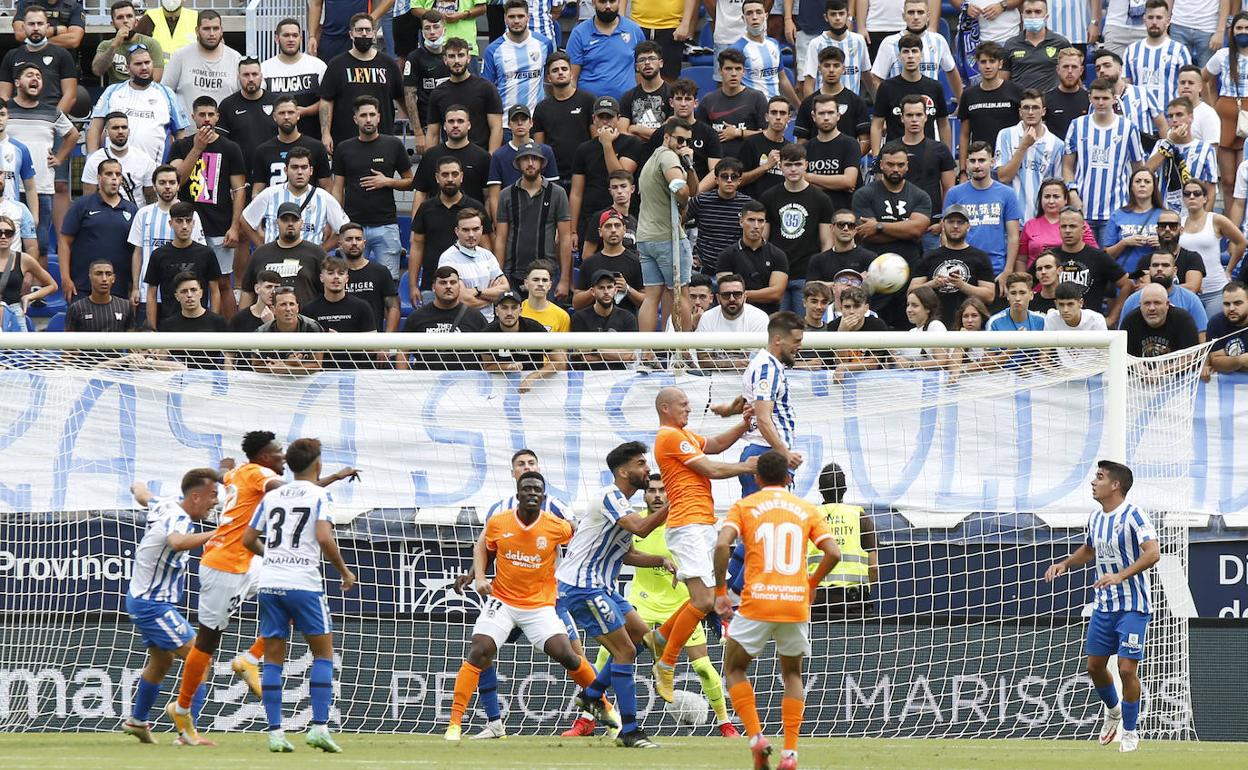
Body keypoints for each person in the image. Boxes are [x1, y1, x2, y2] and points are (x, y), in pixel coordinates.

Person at [168, 432, 357, 743]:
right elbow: (299, 494)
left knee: (292, 589)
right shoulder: (259, 474)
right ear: (264, 457)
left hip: (251, 561)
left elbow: (229, 474)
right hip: (225, 565)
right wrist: (334, 477)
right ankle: (183, 708)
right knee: (207, 641)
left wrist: (223, 468)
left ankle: (249, 660)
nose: (282, 456)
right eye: (276, 451)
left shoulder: (240, 471)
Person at [445, 471, 612, 742]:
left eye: (537, 488)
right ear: (517, 489)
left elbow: (583, 540)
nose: (532, 492)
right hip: (503, 600)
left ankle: (605, 709)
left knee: (570, 655)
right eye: (527, 486)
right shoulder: (499, 518)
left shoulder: (558, 521)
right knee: (481, 650)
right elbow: (485, 548)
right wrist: (476, 575)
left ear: (543, 494)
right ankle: (459, 724)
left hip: (542, 603)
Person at [714, 450, 840, 770]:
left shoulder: (745, 506)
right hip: (794, 602)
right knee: (792, 674)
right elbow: (833, 553)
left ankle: (756, 737)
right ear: (789, 478)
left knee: (735, 669)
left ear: (756, 478)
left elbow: (721, 544)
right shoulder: (805, 508)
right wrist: (811, 584)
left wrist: (719, 591)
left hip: (756, 601)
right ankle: (791, 754)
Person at [554, 442, 676, 748]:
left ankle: (592, 695)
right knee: (626, 652)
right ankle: (630, 730)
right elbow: (643, 530)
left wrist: (660, 560)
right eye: (640, 463)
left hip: (602, 586)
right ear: (623, 471)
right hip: (582, 587)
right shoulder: (610, 497)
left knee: (644, 638)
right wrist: (675, 501)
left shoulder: (623, 505)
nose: (646, 469)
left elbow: (628, 554)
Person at [241, 437, 355, 753]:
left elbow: (248, 538)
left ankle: (276, 734)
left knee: (274, 659)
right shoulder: (320, 494)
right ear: (318, 465)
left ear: (289, 465)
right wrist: (344, 571)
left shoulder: (273, 495)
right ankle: (319, 728)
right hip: (303, 584)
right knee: (323, 654)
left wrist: (273, 557)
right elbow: (323, 536)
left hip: (270, 584)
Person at [647, 386, 757, 703]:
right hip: (687, 525)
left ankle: (660, 638)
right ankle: (666, 662)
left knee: (706, 600)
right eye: (683, 404)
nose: (689, 409)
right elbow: (710, 468)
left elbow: (717, 445)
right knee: (703, 599)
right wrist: (746, 468)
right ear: (665, 407)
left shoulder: (684, 435)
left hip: (702, 523)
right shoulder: (668, 436)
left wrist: (742, 423)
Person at [1044, 460, 1157, 754]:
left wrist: (1120, 575)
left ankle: (1130, 732)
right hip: (1104, 607)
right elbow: (1090, 549)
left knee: (1125, 669)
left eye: (1100, 477)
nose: (1094, 482)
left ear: (1115, 485)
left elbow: (1153, 552)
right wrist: (1065, 564)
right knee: (1094, 666)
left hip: (1133, 606)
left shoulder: (1134, 515)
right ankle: (1113, 711)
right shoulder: (1096, 519)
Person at [619, 474, 738, 736]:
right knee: (613, 654)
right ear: (644, 494)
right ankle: (591, 717)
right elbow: (626, 555)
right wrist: (660, 559)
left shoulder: (684, 526)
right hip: (643, 602)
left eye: (663, 490)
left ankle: (725, 723)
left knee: (704, 669)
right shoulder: (635, 522)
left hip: (682, 605)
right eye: (652, 490)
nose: (658, 495)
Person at [119, 468, 219, 746]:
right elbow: (176, 542)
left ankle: (137, 721)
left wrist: (136, 484)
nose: (215, 502)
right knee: (201, 659)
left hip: (143, 599)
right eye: (212, 496)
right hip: (153, 604)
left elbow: (142, 494)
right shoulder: (179, 517)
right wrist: (217, 534)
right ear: (195, 496)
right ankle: (188, 732)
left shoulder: (165, 504)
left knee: (162, 661)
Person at [169, 96, 246, 294]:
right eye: (202, 114)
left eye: (211, 115)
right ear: (193, 116)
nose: (206, 119)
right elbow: (177, 181)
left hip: (220, 225)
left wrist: (235, 227)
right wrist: (197, 149)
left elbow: (238, 191)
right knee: (186, 282)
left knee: (222, 284)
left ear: (217, 117)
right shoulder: (180, 146)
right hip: (188, 224)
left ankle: (225, 326)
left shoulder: (230, 148)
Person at [852, 141, 933, 327]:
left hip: (910, 274)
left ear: (907, 166)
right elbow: (866, 233)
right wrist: (905, 229)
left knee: (908, 330)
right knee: (874, 331)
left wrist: (879, 226)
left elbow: (917, 229)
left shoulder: (920, 195)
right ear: (881, 165)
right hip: (874, 276)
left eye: (900, 165)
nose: (895, 169)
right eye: (890, 164)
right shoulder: (864, 194)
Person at [331, 96, 413, 280]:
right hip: (352, 226)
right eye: (363, 115)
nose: (368, 119)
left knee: (389, 282)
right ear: (355, 119)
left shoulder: (393, 145)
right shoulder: (344, 148)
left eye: (371, 115)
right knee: (348, 282)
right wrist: (338, 222)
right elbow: (338, 188)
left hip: (386, 225)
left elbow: (411, 181)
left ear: (379, 117)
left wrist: (388, 182)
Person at [5, 64, 77, 259]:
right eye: (30, 75)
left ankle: (37, 287)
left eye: (39, 76)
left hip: (42, 188)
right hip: (7, 189)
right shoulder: (5, 111)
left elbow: (73, 135)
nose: (35, 78)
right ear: (17, 83)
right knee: (6, 241)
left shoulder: (52, 112)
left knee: (41, 244)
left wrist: (60, 157)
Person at [1064, 78, 1146, 245]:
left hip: (1116, 210)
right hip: (1083, 209)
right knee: (1086, 264)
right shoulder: (1077, 125)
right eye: (1096, 98)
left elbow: (1138, 168)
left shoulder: (1128, 128)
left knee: (1111, 265)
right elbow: (1067, 167)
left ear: (1114, 98)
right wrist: (1072, 193)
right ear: (1090, 98)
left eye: (1105, 98)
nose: (1100, 103)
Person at [636, 120, 699, 333]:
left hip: (646, 238)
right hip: (667, 237)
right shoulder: (668, 156)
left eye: (687, 141)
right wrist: (683, 201)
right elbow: (681, 190)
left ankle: (646, 354)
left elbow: (693, 188)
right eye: (679, 139)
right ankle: (685, 352)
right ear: (666, 137)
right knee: (680, 295)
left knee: (651, 297)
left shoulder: (653, 158)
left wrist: (689, 165)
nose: (683, 145)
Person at [737, 312, 804, 497]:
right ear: (778, 340)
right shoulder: (768, 369)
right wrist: (785, 453)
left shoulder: (761, 364)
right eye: (796, 341)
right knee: (772, 517)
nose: (800, 346)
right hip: (767, 454)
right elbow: (764, 418)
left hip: (763, 451)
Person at [89, 44, 190, 166]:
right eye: (138, 64)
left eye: (147, 62)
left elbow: (180, 133)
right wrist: (92, 160)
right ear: (127, 68)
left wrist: (177, 165)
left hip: (156, 173)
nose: (144, 67)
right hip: (115, 174)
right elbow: (95, 128)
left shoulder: (166, 94)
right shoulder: (112, 92)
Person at [570, 97, 646, 253]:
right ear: (594, 119)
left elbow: (620, 176)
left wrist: (606, 144)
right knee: (590, 262)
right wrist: (573, 230)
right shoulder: (583, 149)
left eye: (610, 117)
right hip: (591, 218)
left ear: (618, 118)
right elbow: (576, 192)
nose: (605, 122)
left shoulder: (632, 143)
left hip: (623, 219)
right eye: (601, 117)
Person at [318, 14, 404, 152]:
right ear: (351, 34)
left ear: (374, 34)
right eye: (359, 30)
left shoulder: (388, 64)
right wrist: (325, 133)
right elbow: (326, 101)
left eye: (368, 30)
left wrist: (417, 131)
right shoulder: (337, 64)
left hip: (383, 142)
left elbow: (402, 98)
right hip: (345, 142)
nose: (364, 34)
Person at [494, 142, 572, 292]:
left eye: (535, 159)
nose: (530, 163)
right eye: (525, 159)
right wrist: (499, 276)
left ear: (542, 163)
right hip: (513, 273)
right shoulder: (506, 194)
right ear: (518, 163)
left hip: (547, 275)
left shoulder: (557, 193)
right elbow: (501, 239)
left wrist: (564, 280)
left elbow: (565, 238)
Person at [410, 157, 491, 302]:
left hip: (471, 287)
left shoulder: (476, 207)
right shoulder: (425, 208)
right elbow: (416, 247)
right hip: (432, 285)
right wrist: (413, 285)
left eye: (454, 174)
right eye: (445, 175)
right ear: (437, 177)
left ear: (461, 176)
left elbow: (486, 248)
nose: (450, 179)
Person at [128, 164, 205, 310]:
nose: (167, 187)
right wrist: (136, 288)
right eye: (162, 183)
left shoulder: (191, 215)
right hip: (148, 294)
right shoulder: (143, 214)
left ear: (178, 186)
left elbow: (199, 253)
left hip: (181, 296)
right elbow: (138, 253)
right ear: (154, 186)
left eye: (172, 182)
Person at [59, 159, 138, 302]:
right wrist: (66, 278)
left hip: (119, 287)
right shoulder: (82, 205)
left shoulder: (131, 209)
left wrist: (135, 286)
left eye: (118, 174)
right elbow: (64, 242)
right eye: (109, 174)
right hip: (82, 286)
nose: (114, 178)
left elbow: (136, 251)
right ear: (99, 178)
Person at [243, 147, 348, 250]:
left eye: (304, 167)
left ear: (311, 170)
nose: (299, 172)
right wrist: (262, 248)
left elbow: (344, 228)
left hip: (308, 262)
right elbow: (245, 220)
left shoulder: (323, 197)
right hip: (274, 261)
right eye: (294, 167)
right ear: (286, 170)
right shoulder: (270, 194)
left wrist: (321, 252)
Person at [909, 205, 997, 326]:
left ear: (968, 226)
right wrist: (933, 284)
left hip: (967, 325)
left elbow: (989, 296)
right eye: (951, 222)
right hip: (934, 324)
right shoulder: (929, 256)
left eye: (960, 222)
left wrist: (962, 285)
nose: (955, 226)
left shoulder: (980, 257)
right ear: (943, 225)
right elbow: (911, 292)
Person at [143, 202, 222, 328]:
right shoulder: (159, 255)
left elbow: (215, 291)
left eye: (188, 221)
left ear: (193, 223)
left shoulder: (206, 253)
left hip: (201, 325)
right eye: (179, 221)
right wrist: (152, 329)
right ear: (171, 223)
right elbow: (151, 294)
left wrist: (212, 323)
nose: (184, 226)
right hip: (169, 324)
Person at [1052, 205, 1134, 326]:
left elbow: (1127, 284)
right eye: (1064, 226)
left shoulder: (1099, 257)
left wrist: (1112, 318)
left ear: (1083, 228)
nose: (1068, 230)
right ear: (1059, 229)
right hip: (1058, 323)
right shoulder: (1050, 257)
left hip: (1091, 326)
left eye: (1073, 226)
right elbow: (1028, 281)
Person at [239, 202, 328, 308]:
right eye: (285, 219)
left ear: (302, 223)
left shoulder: (316, 253)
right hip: (267, 321)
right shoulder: (260, 253)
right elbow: (247, 291)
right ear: (277, 223)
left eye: (295, 220)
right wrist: (244, 321)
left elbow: (328, 291)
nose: (290, 223)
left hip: (305, 321)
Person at [994, 90, 1066, 222]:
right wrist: (1023, 146)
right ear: (1020, 112)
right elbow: (1003, 177)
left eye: (1035, 108)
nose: (1031, 112)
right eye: (1026, 108)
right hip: (1010, 220)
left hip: (1041, 222)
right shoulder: (1006, 136)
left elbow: (1057, 188)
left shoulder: (1056, 144)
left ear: (1043, 111)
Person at [1178, 180, 1246, 318]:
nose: (1191, 197)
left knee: (1213, 333)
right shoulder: (1179, 221)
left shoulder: (1215, 219)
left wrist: (1229, 269)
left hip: (1215, 289)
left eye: (1196, 193)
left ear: (1205, 198)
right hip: (1188, 289)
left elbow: (1241, 242)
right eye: (1187, 194)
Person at [398, 266, 489, 370]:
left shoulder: (475, 317)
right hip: (427, 382)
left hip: (467, 383)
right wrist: (403, 378)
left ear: (459, 287)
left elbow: (487, 355)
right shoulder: (417, 317)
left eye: (453, 282)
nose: (448, 286)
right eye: (443, 283)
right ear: (433, 287)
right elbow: (403, 351)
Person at [870, 35, 950, 152]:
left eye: (914, 51)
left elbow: (943, 124)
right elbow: (877, 125)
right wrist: (876, 158)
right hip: (895, 157)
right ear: (899, 56)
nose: (910, 56)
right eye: (906, 52)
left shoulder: (935, 87)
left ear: (921, 55)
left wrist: (946, 156)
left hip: (928, 155)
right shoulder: (887, 87)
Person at [869, 0, 963, 100]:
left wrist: (961, 104)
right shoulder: (889, 43)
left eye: (920, 12)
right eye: (911, 12)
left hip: (930, 110)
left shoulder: (938, 41)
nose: (916, 17)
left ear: (928, 16)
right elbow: (876, 79)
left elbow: (952, 71)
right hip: (899, 111)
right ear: (903, 16)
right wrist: (884, 106)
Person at [426, 38, 505, 154]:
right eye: (452, 56)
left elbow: (496, 128)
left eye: (461, 55)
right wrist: (430, 160)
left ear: (468, 58)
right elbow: (432, 134)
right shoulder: (437, 93)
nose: (457, 61)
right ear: (445, 60)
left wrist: (491, 159)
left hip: (480, 157)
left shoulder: (486, 88)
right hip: (449, 162)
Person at [160, 10, 242, 120]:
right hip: (187, 133)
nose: (212, 33)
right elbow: (165, 93)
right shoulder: (181, 56)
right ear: (197, 31)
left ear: (222, 31)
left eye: (216, 28)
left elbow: (245, 95)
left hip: (224, 133)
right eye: (206, 29)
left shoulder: (235, 58)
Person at [957, 42, 1024, 175]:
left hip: (1010, 162)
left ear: (1000, 64)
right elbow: (964, 135)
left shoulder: (1017, 91)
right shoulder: (969, 94)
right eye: (983, 62)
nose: (987, 66)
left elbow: (1024, 127)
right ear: (977, 64)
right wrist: (963, 171)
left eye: (992, 61)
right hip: (979, 164)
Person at [480, 1, 555, 118]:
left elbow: (548, 80)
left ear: (528, 17)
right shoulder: (493, 50)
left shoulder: (544, 44)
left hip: (537, 122)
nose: (516, 21)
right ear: (505, 18)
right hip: (506, 122)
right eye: (511, 17)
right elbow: (487, 90)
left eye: (520, 16)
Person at [532, 52, 597, 184]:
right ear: (549, 78)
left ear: (571, 73)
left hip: (585, 173)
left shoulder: (588, 100)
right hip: (554, 176)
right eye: (555, 70)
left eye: (564, 69)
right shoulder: (541, 108)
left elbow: (596, 141)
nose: (560, 73)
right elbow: (540, 148)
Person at [1204, 13, 1248, 207]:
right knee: (1229, 181)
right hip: (1226, 118)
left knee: (1244, 180)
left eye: (1247, 29)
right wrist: (1213, 105)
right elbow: (1204, 79)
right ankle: (1232, 227)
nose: (1243, 32)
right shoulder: (1222, 55)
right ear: (1232, 32)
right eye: (1239, 28)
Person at [697, 49, 770, 166]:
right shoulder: (708, 100)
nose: (734, 73)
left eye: (738, 69)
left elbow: (768, 134)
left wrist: (738, 132)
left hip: (749, 165)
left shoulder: (757, 98)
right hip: (716, 168)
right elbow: (699, 135)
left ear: (744, 72)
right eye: (728, 69)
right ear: (720, 71)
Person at [0, 6, 79, 114]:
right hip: (17, 118)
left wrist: (53, 120)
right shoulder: (11, 55)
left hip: (51, 117)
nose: (36, 28)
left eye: (40, 23)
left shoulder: (63, 54)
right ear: (23, 27)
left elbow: (70, 95)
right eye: (31, 24)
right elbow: (3, 96)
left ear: (47, 26)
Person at [485, 105, 559, 218]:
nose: (520, 123)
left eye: (523, 119)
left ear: (531, 123)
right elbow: (494, 197)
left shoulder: (545, 151)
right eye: (515, 120)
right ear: (509, 125)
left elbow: (553, 190)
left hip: (540, 214)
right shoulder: (499, 155)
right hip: (510, 214)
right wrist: (498, 225)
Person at [717, 201, 790, 314]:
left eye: (760, 221)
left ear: (765, 223)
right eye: (751, 220)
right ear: (741, 222)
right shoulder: (726, 255)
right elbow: (727, 292)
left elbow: (776, 294)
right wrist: (760, 294)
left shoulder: (778, 255)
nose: (756, 226)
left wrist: (741, 294)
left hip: (768, 316)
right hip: (736, 315)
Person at [1146, 97, 1218, 213]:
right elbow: (1147, 171)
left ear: (1191, 117)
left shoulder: (1206, 149)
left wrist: (1203, 221)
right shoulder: (1161, 145)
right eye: (1170, 116)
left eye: (1179, 115)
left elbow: (1211, 191)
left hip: (1192, 216)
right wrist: (1169, 142)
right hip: (1164, 215)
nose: (1174, 120)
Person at [796, 47, 871, 158]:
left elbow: (865, 140)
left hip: (847, 169)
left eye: (836, 65)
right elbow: (802, 142)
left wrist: (849, 161)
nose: (831, 70)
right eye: (826, 65)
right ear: (819, 69)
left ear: (843, 69)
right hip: (815, 168)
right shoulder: (808, 103)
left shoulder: (856, 101)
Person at [413, 105, 490, 210]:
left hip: (470, 223)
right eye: (451, 121)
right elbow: (421, 193)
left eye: (460, 121)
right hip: (436, 221)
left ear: (469, 125)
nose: (455, 125)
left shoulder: (483, 157)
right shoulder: (431, 155)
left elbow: (488, 197)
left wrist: (485, 223)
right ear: (444, 126)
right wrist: (415, 224)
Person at [263, 18, 328, 139]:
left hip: (312, 136)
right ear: (277, 39)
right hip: (276, 138)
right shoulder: (265, 68)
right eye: (286, 35)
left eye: (295, 35)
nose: (291, 39)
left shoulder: (317, 66)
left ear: (301, 38)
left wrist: (306, 111)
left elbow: (328, 101)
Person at [1123, 1, 1190, 119]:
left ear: (1168, 21)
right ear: (1144, 20)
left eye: (1159, 17)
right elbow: (1126, 86)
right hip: (1140, 120)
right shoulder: (1131, 50)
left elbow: (1187, 87)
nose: (1154, 22)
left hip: (1171, 119)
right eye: (1150, 17)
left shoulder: (1180, 50)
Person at [567, 0, 644, 101]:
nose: (608, 6)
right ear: (594, 2)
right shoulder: (579, 33)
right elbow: (572, 78)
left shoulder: (634, 30)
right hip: (590, 106)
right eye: (602, 1)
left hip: (626, 106)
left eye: (612, 1)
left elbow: (641, 72)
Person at [439, 208, 508, 320]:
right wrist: (491, 298)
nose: (471, 234)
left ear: (481, 229)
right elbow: (462, 300)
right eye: (466, 230)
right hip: (462, 325)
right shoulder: (448, 259)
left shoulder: (487, 255)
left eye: (476, 229)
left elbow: (504, 290)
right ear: (457, 231)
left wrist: (477, 291)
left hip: (488, 325)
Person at [1119, 250, 1208, 335]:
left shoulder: (1191, 299)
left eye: (1165, 265)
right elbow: (1122, 336)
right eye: (1155, 265)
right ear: (1149, 270)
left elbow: (1202, 335)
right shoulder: (1132, 301)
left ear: (1174, 271)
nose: (1159, 269)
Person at [574, 211, 645, 316]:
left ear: (624, 230)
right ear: (600, 232)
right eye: (608, 226)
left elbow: (646, 301)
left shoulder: (636, 262)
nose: (613, 230)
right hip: (594, 323)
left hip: (625, 323)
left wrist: (627, 289)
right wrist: (596, 289)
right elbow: (576, 303)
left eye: (617, 226)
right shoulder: (589, 263)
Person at [689, 160, 753, 275]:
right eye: (724, 176)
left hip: (733, 271)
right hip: (703, 268)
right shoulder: (701, 200)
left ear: (739, 181)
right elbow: (678, 223)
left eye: (734, 177)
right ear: (716, 180)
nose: (729, 180)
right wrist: (687, 255)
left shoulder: (748, 205)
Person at [695, 273, 771, 370]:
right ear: (718, 298)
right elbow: (703, 361)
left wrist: (723, 363)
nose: (732, 299)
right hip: (715, 378)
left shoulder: (759, 317)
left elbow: (758, 361)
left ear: (745, 296)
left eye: (737, 294)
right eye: (726, 295)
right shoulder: (707, 318)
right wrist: (733, 363)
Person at [1094, 49, 1168, 147]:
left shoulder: (1143, 93)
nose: (1102, 70)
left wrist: (1167, 155)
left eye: (1107, 65)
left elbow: (1162, 126)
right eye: (1098, 68)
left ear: (1120, 69)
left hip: (1145, 157)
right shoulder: (1095, 102)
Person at [731, 0, 801, 104]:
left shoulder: (774, 44)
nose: (754, 17)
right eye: (749, 13)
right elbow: (732, 87)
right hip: (752, 111)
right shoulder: (737, 49)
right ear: (743, 19)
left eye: (758, 12)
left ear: (766, 16)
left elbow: (782, 79)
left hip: (775, 110)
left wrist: (799, 107)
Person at [1019, 178, 1098, 268]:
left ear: (1065, 200)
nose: (1051, 201)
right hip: (1037, 278)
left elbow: (1094, 255)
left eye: (1056, 197)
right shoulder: (1030, 225)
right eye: (1047, 196)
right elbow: (1021, 259)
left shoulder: (1080, 224)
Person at [81, 112, 156, 207]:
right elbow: (88, 199)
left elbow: (151, 199)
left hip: (136, 217)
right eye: (115, 128)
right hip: (104, 217)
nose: (120, 131)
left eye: (124, 127)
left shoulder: (145, 160)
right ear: (106, 132)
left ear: (129, 131)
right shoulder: (94, 160)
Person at [570, 270, 641, 369]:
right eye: (601, 288)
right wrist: (615, 354)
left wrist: (594, 349)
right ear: (593, 292)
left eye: (610, 287)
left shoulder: (627, 317)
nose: (606, 292)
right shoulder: (579, 317)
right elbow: (584, 357)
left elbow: (629, 356)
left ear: (615, 290)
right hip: (589, 376)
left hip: (619, 377)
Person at [801, 0, 871, 96]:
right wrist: (811, 108)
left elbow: (867, 75)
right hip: (825, 106)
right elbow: (809, 82)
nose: (837, 18)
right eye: (833, 14)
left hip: (852, 106)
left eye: (841, 14)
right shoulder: (816, 44)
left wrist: (878, 104)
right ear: (826, 17)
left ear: (848, 15)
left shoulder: (858, 41)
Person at [250, 287, 327, 375]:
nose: (288, 309)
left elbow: (316, 365)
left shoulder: (312, 327)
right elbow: (257, 365)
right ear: (273, 309)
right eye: (283, 304)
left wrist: (286, 368)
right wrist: (287, 365)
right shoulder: (261, 332)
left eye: (291, 304)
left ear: (297, 307)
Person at [1102, 167, 1163, 277]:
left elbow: (1176, 251)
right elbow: (1106, 255)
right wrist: (1124, 243)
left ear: (1154, 186)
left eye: (1147, 181)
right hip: (1124, 278)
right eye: (1138, 181)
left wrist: (1162, 244)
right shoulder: (1118, 215)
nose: (1142, 185)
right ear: (1131, 187)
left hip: (1155, 278)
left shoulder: (1164, 215)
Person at [1003, 0, 1071, 93]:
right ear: (1022, 16)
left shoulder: (1061, 43)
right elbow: (1003, 80)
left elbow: (1071, 74)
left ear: (1046, 16)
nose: (1033, 16)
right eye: (1028, 12)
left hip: (1051, 102)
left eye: (1038, 12)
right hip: (1021, 102)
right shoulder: (1010, 44)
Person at [1121, 282, 1201, 356]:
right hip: (1139, 370)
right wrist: (1140, 368)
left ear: (1167, 304)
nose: (1152, 308)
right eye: (1147, 303)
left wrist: (1161, 371)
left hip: (1178, 370)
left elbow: (1191, 356)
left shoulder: (1183, 319)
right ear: (1140, 305)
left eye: (1157, 303)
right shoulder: (1130, 321)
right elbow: (1124, 355)